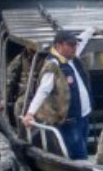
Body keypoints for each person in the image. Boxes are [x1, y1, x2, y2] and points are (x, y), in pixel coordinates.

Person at [23, 28, 95, 159]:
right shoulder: (54, 65)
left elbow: (82, 41)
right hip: (70, 120)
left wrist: (91, 30)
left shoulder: (70, 57)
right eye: (71, 45)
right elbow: (43, 90)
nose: (75, 48)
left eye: (75, 44)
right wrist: (30, 113)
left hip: (83, 115)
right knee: (78, 154)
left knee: (82, 145)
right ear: (59, 46)